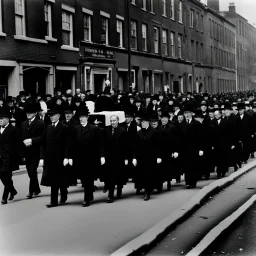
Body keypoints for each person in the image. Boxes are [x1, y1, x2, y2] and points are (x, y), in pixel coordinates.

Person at [71, 106, 105, 207]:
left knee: (88, 178)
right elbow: (73, 144)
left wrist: (102, 156)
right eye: (80, 117)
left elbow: (100, 143)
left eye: (83, 117)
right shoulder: (76, 129)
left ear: (87, 117)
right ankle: (90, 194)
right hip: (79, 158)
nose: (81, 119)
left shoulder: (94, 129)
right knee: (83, 179)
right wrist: (71, 157)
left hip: (91, 158)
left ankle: (87, 199)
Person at [40, 105, 71, 208]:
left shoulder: (64, 127)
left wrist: (67, 157)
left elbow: (68, 144)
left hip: (60, 158)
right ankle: (54, 201)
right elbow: (42, 141)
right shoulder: (48, 127)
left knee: (60, 179)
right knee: (53, 180)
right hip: (50, 158)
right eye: (50, 116)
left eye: (53, 115)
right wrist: (42, 157)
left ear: (58, 116)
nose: (51, 117)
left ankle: (63, 193)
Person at [132, 113, 162, 201]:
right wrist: (134, 157)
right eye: (142, 122)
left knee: (149, 174)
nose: (142, 124)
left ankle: (147, 192)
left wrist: (159, 156)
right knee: (142, 174)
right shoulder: (139, 133)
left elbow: (158, 145)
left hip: (151, 158)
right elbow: (135, 146)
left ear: (148, 122)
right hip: (141, 157)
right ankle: (143, 189)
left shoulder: (154, 132)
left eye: (144, 122)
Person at [21, 102, 45, 199]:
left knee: (32, 170)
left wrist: (32, 141)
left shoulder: (40, 123)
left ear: (35, 113)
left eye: (30, 112)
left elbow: (43, 138)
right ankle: (37, 189)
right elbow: (21, 138)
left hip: (37, 151)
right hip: (27, 152)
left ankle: (31, 191)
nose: (28, 114)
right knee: (30, 171)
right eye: (27, 113)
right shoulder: (23, 124)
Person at [104, 115, 128, 203]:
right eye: (111, 121)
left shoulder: (122, 131)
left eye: (114, 120)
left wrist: (126, 158)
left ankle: (119, 188)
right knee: (111, 176)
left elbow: (126, 146)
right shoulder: (107, 130)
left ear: (118, 121)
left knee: (118, 175)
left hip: (119, 157)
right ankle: (110, 195)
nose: (112, 122)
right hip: (109, 157)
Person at [0, 108, 21, 204]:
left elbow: (17, 144)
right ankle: (12, 191)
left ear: (7, 119)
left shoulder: (14, 129)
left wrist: (18, 157)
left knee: (7, 177)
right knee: (2, 177)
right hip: (0, 158)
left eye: (2, 118)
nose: (0, 120)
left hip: (9, 157)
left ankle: (4, 197)